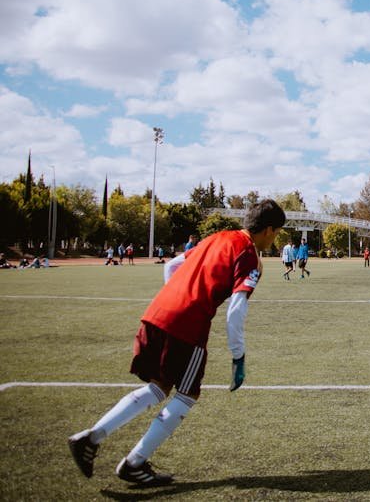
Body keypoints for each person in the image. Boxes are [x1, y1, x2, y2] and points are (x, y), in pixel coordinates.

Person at [67, 199, 285, 486]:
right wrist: (238, 356)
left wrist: (176, 298)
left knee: (158, 386)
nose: (276, 238)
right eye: (277, 232)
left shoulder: (215, 237)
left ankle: (92, 438)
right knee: (186, 394)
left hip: (157, 312)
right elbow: (235, 311)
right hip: (187, 325)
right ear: (268, 230)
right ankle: (134, 461)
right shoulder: (248, 254)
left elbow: (172, 266)